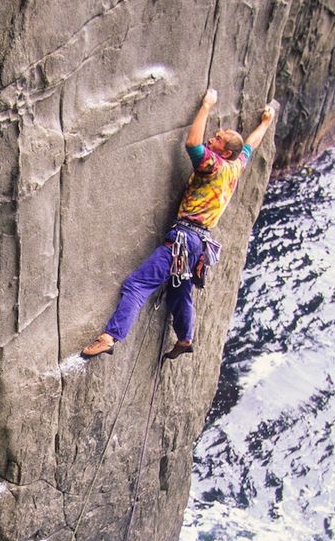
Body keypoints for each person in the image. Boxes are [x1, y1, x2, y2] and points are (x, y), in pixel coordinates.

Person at [82, 89, 277, 361]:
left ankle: (110, 337)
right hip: (198, 245)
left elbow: (192, 144)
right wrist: (265, 123)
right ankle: (185, 338)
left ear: (225, 151)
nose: (213, 138)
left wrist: (206, 106)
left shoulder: (215, 166)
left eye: (218, 139)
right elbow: (249, 147)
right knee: (179, 292)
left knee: (137, 285)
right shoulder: (235, 167)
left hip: (183, 239)